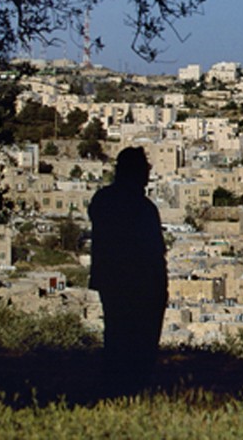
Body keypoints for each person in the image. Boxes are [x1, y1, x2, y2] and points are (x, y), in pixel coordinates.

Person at [88, 146, 168, 391]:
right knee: (141, 339)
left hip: (111, 279)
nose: (147, 173)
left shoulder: (102, 200)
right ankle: (133, 386)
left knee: (116, 333)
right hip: (141, 282)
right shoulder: (143, 208)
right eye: (144, 168)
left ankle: (115, 385)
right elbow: (154, 250)